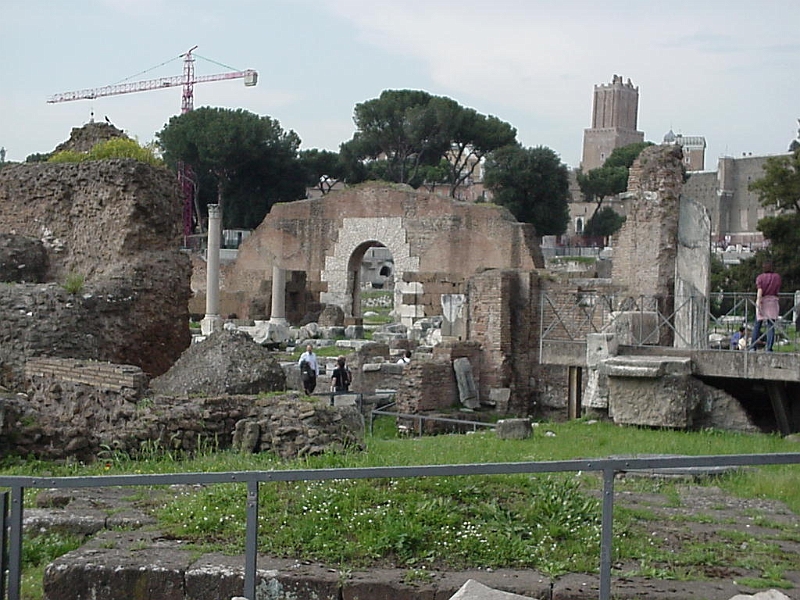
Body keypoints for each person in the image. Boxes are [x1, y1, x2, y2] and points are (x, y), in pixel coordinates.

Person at [750, 260, 782, 352]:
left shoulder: (760, 278)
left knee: (757, 324)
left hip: (763, 300)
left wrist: (758, 302)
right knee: (771, 326)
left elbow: (760, 291)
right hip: (773, 301)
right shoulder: (777, 277)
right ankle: (769, 348)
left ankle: (753, 346)